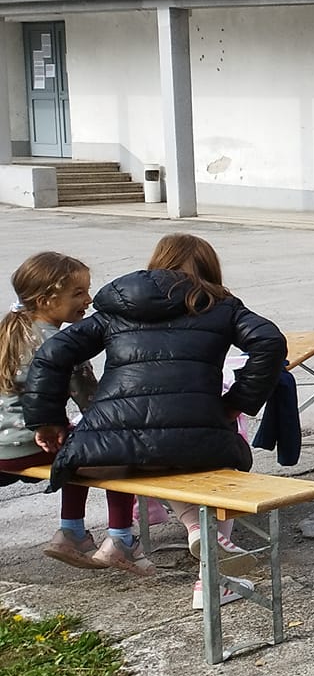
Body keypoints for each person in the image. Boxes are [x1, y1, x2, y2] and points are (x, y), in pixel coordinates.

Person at [21, 234, 286, 609]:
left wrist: (46, 420)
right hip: (196, 437)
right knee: (210, 461)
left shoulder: (119, 306)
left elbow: (52, 353)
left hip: (107, 443)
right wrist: (237, 402)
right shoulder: (220, 306)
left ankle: (185, 532)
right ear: (210, 271)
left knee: (159, 455)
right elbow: (269, 342)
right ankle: (212, 579)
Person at [0, 253, 145, 574]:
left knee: (76, 445)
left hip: (2, 448)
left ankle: (74, 533)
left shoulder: (7, 332)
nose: (89, 300)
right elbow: (93, 404)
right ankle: (119, 539)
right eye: (78, 293)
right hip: (29, 446)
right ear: (46, 300)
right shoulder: (65, 344)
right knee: (116, 450)